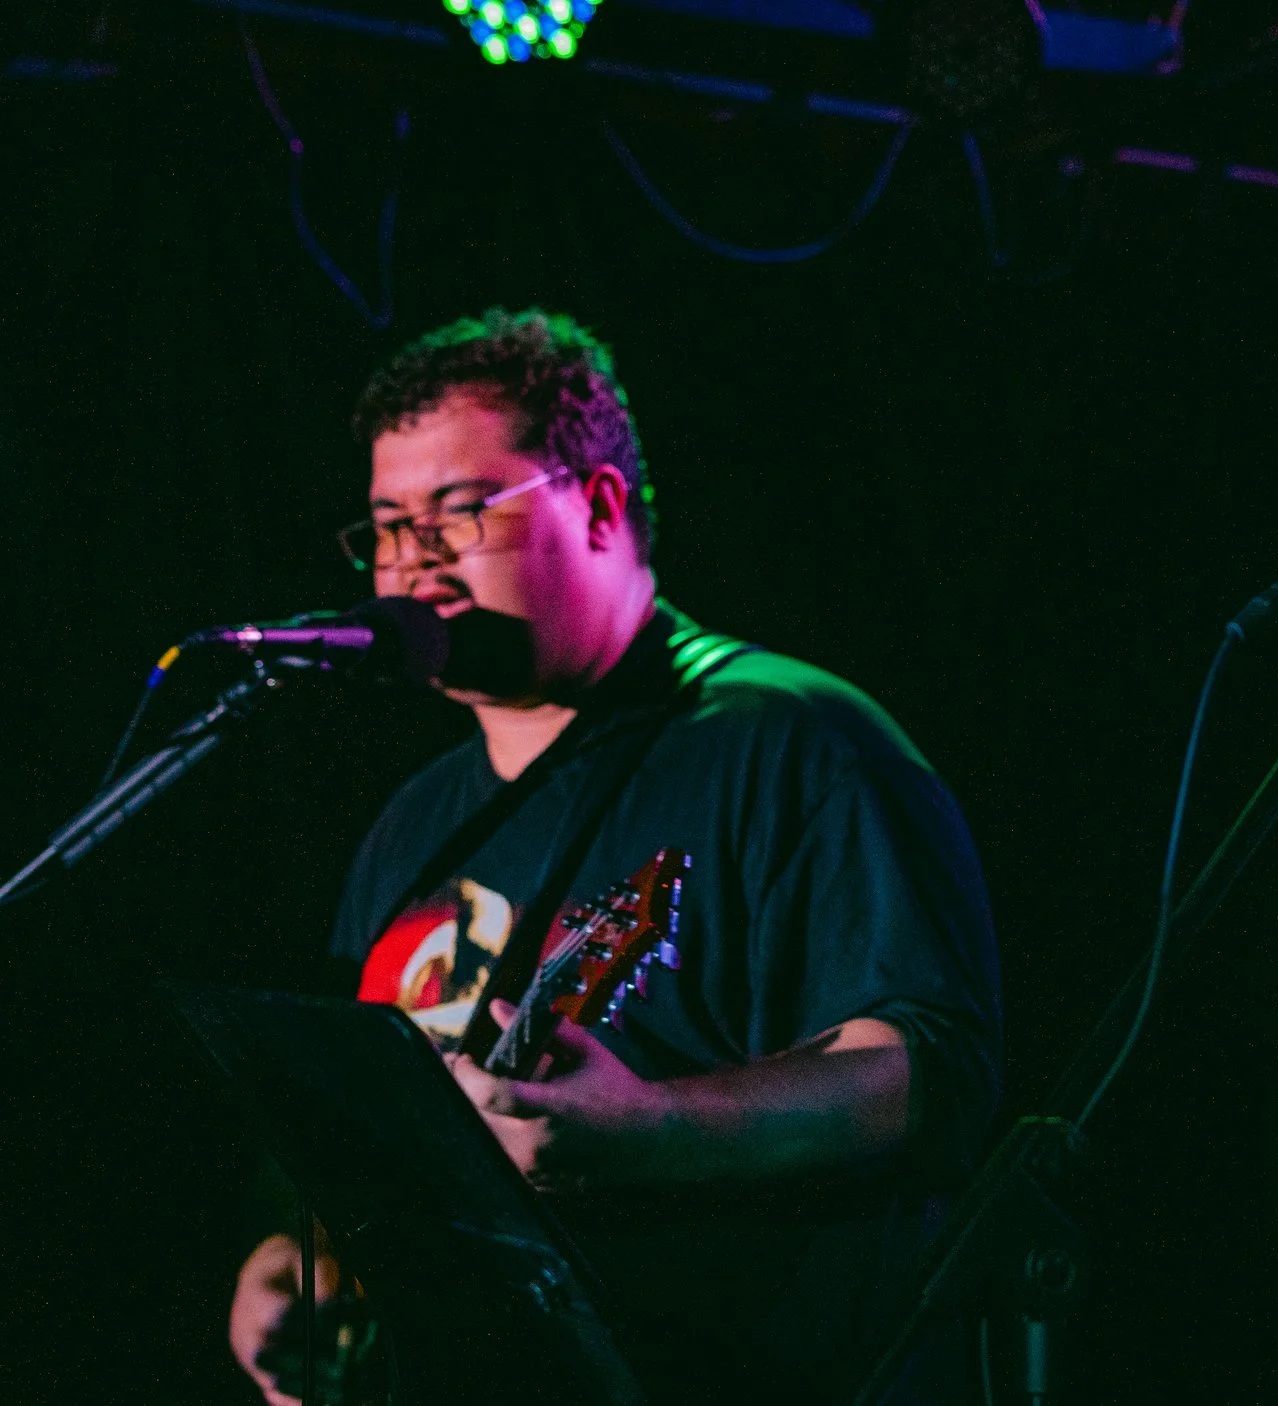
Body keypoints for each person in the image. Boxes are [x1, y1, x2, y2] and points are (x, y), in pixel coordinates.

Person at [226, 309, 1002, 1405]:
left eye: (461, 512)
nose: (414, 560)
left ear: (597, 504)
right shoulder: (414, 821)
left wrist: (659, 1127)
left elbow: (932, 1068)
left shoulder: (790, 741)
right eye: (390, 524)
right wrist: (293, 1256)